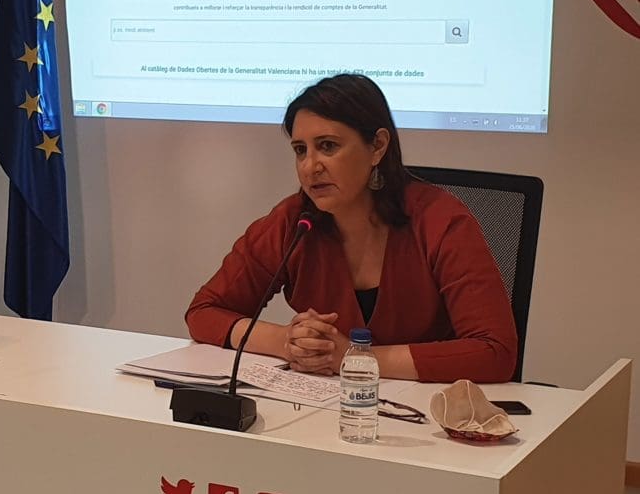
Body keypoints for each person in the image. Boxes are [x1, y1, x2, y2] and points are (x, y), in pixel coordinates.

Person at [186, 74, 517, 383]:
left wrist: (357, 359)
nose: (310, 167)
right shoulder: (295, 221)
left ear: (378, 146)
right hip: (327, 404)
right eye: (300, 150)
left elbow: (496, 352)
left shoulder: (441, 220)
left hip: (427, 412)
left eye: (328, 146)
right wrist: (285, 341)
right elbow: (204, 312)